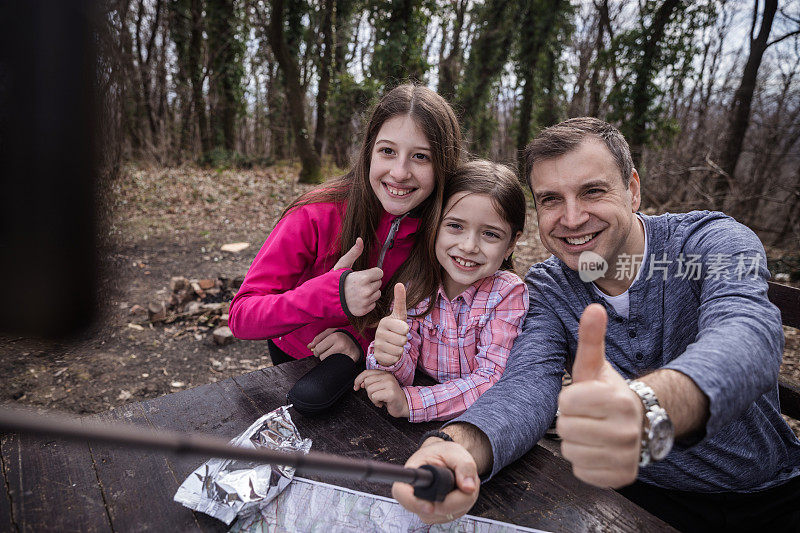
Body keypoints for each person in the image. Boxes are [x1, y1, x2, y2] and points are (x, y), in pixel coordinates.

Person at [392, 118, 800, 532]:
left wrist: (647, 405)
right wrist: (456, 447)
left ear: (633, 190)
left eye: (592, 191)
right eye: (551, 199)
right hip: (633, 495)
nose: (571, 218)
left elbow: (748, 332)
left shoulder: (709, 243)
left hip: (767, 492)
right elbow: (528, 383)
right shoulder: (549, 287)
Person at [228, 84, 462, 390]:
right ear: (369, 152)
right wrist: (330, 294)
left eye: (420, 157)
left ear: (443, 165)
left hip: (381, 369)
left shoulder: (450, 227)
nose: (400, 172)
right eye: (387, 151)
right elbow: (242, 316)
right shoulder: (316, 213)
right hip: (299, 359)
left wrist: (360, 341)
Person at [353, 161, 528, 422]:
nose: (469, 246)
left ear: (511, 243)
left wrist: (411, 402)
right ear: (435, 224)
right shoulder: (415, 284)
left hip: (483, 426)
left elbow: (492, 380)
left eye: (490, 234)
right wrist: (388, 357)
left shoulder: (507, 294)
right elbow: (405, 369)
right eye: (455, 226)